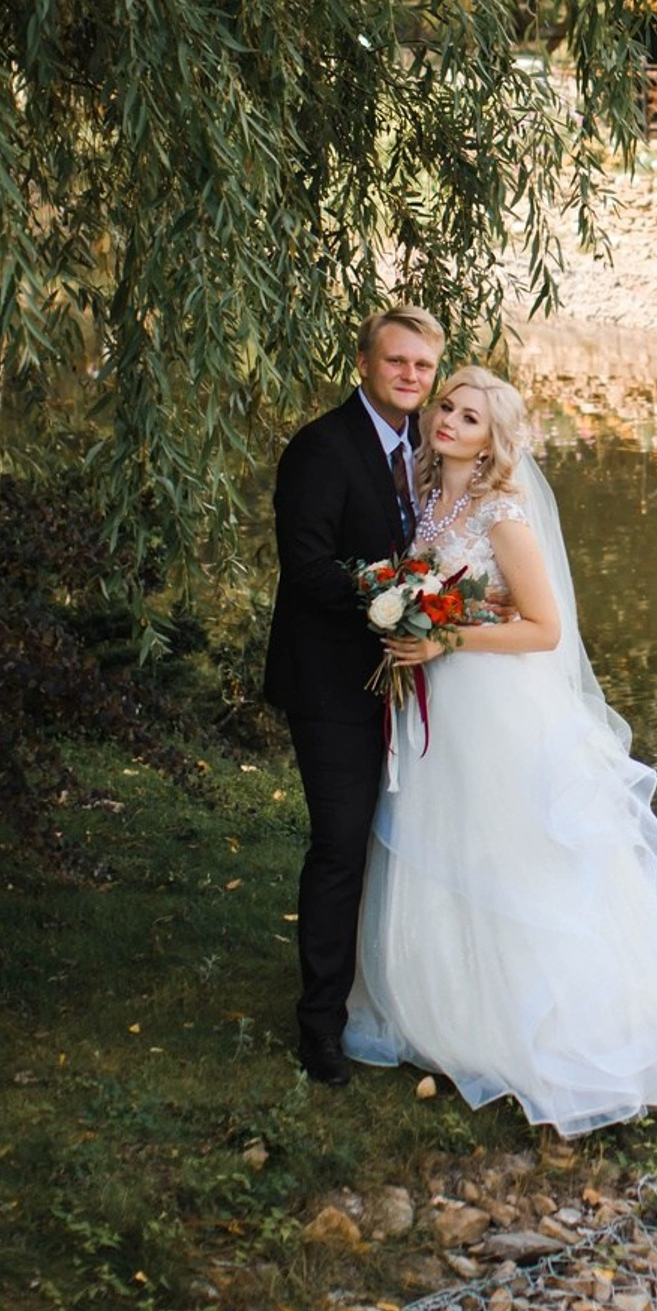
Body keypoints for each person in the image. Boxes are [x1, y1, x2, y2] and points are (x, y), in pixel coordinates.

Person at [344, 365, 657, 1134]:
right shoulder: (427, 496)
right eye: (447, 408)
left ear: (495, 439)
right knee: (441, 845)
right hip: (439, 706)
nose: (450, 421)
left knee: (506, 856)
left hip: (490, 705)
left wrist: (446, 636)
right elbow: (453, 586)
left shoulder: (502, 513)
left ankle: (538, 1027)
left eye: (470, 416)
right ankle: (445, 1006)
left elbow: (545, 629)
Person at [262, 305, 444, 1085]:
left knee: (404, 848)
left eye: (424, 366)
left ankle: (402, 1004)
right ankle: (319, 1028)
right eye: (397, 362)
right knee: (341, 847)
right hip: (332, 683)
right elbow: (305, 568)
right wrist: (391, 601)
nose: (410, 376)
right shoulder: (320, 448)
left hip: (413, 684)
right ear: (365, 364)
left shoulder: (431, 453)